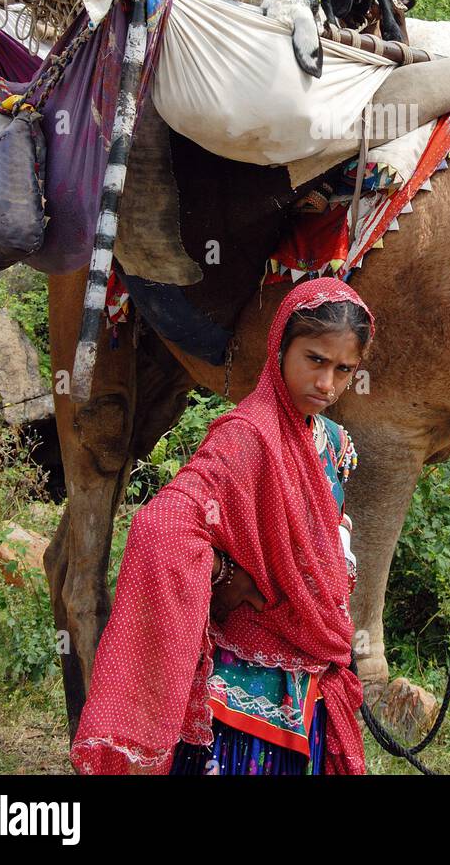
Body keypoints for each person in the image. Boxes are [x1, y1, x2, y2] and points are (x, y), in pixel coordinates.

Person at [70, 277, 375, 776]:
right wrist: (221, 571)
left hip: (312, 678)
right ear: (280, 349)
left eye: (344, 369)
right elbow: (163, 523)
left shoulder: (336, 445)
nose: (326, 383)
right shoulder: (246, 435)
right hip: (241, 693)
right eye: (315, 360)